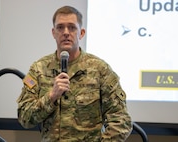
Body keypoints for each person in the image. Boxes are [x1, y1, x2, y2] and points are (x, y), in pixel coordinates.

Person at [17, 5, 132, 142]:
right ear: (53, 33)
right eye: (60, 27)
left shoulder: (100, 70)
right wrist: (51, 96)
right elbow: (25, 118)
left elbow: (121, 120)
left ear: (81, 33)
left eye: (72, 27)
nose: (66, 32)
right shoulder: (38, 69)